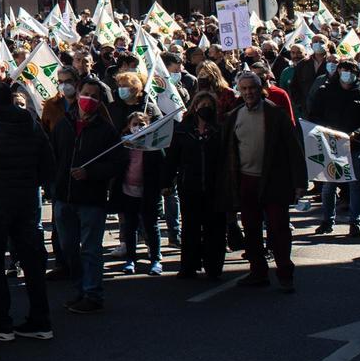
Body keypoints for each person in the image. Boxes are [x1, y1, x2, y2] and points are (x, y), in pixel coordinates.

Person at [0, 80, 53, 339]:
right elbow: (48, 163)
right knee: (32, 261)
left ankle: (2, 322)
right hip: (27, 200)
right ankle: (41, 320)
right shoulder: (32, 125)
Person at [220, 66, 307, 292]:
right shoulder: (234, 116)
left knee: (278, 229)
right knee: (251, 229)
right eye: (244, 88)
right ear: (239, 91)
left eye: (252, 88)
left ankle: (285, 273)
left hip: (273, 181)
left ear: (260, 89)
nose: (248, 92)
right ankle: (258, 272)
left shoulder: (276, 114)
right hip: (246, 182)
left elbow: (294, 150)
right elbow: (228, 151)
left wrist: (299, 183)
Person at [51, 77, 118, 314]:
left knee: (90, 249)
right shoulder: (62, 124)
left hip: (91, 199)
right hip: (64, 197)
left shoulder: (106, 130)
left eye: (94, 96)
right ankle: (80, 290)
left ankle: (92, 294)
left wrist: (90, 173)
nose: (89, 99)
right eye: (86, 93)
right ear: (78, 95)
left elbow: (115, 164)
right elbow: (54, 157)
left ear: (99, 101)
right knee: (69, 247)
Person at [308, 56, 360, 240]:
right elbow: (313, 116)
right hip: (331, 147)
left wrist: (357, 133)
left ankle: (355, 222)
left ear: (357, 75)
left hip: (354, 147)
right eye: (344, 71)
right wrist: (326, 130)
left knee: (355, 187)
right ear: (338, 72)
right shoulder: (325, 92)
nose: (347, 75)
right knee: (328, 187)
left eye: (351, 72)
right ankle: (327, 221)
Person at [168, 88, 228, 279]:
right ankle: (188, 265)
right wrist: (166, 181)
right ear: (194, 108)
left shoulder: (220, 130)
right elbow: (172, 158)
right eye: (202, 106)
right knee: (190, 229)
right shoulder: (183, 131)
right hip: (190, 186)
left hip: (214, 187)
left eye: (209, 106)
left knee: (215, 229)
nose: (206, 109)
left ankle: (214, 267)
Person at [113, 109, 167, 274]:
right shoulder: (124, 145)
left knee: (151, 226)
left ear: (149, 125)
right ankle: (130, 259)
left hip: (148, 192)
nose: (138, 127)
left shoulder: (154, 145)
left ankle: (155, 259)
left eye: (142, 124)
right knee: (130, 227)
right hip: (128, 191)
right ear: (129, 127)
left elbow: (163, 166)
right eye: (134, 124)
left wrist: (164, 185)